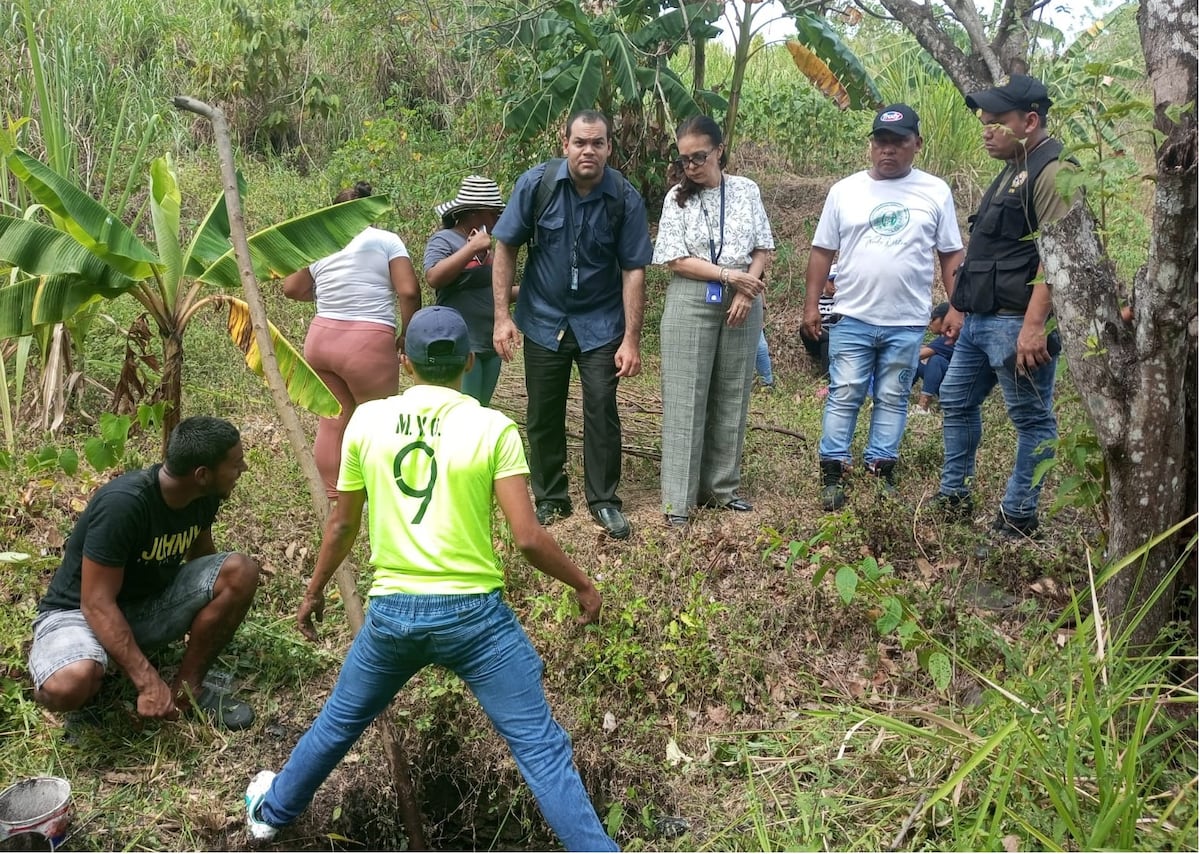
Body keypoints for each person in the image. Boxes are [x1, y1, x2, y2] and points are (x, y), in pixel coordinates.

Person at [243, 307, 617, 852]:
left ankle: (271, 812)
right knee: (540, 750)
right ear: (469, 362)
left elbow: (343, 523)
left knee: (339, 722)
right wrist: (583, 585)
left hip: (393, 615)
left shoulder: (367, 422)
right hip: (476, 622)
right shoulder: (493, 428)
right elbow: (529, 537)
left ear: (405, 362)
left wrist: (314, 589)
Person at [27, 416, 259, 730]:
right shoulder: (124, 505)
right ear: (202, 475)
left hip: (144, 606)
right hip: (78, 613)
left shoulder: (204, 497)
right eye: (236, 463)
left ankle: (187, 691)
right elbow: (95, 604)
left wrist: (214, 615)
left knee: (239, 572)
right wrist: (148, 682)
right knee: (69, 684)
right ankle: (84, 681)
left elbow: (205, 560)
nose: (242, 469)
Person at [492, 109, 654, 540]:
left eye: (597, 143)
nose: (588, 150)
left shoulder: (624, 197)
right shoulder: (536, 186)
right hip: (544, 318)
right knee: (543, 410)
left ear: (609, 149)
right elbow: (505, 246)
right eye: (580, 142)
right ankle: (550, 497)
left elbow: (633, 269)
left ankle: (604, 501)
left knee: (602, 408)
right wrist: (502, 317)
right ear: (564, 144)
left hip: (601, 324)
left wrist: (632, 341)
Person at [803, 104, 964, 511]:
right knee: (845, 392)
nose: (887, 151)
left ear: (917, 145)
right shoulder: (845, 191)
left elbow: (950, 256)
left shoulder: (935, 191)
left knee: (893, 396)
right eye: (881, 142)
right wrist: (811, 306)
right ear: (871, 145)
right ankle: (833, 470)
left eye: (898, 142)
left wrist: (958, 306)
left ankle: (881, 468)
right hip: (852, 315)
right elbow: (822, 251)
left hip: (907, 321)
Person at [936, 75, 1073, 538]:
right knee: (954, 400)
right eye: (984, 122)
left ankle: (1018, 517)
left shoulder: (1052, 170)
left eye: (997, 122)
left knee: (1033, 421)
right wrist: (959, 307)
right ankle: (953, 495)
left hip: (1017, 321)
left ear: (1030, 121)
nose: (986, 130)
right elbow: (986, 249)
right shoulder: (1014, 166)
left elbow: (1060, 256)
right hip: (980, 319)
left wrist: (1035, 324)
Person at [653, 115, 774, 527]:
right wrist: (727, 276)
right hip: (693, 295)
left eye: (699, 157)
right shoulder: (677, 198)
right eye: (684, 159)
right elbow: (674, 258)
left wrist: (746, 287)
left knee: (733, 391)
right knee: (686, 397)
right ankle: (678, 502)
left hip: (744, 296)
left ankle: (722, 489)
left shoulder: (746, 190)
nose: (691, 166)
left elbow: (762, 247)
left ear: (719, 151)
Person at [283, 182, 421, 498]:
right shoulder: (387, 240)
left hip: (321, 339)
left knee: (333, 420)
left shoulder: (321, 242)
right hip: (367, 343)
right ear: (369, 210)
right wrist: (407, 332)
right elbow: (409, 291)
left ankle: (332, 495)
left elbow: (292, 288)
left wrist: (328, 292)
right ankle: (380, 491)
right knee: (379, 420)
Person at [424, 175, 510, 406]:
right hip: (462, 343)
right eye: (493, 213)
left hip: (489, 343)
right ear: (473, 213)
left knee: (480, 410)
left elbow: (495, 292)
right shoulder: (445, 240)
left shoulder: (489, 247)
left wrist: (534, 289)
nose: (497, 218)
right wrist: (471, 248)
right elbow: (433, 277)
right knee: (463, 412)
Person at [911, 302, 954, 413]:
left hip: (958, 387)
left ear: (946, 319)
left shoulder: (950, 339)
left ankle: (923, 406)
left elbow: (917, 355)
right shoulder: (945, 338)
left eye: (934, 318)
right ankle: (896, 394)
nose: (930, 323)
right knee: (914, 364)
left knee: (935, 361)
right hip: (949, 380)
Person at [801, 263, 840, 383]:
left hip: (835, 340)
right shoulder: (816, 300)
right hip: (816, 336)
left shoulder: (844, 301)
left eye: (837, 281)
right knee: (804, 328)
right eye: (831, 281)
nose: (834, 285)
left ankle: (827, 378)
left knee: (827, 342)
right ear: (825, 281)